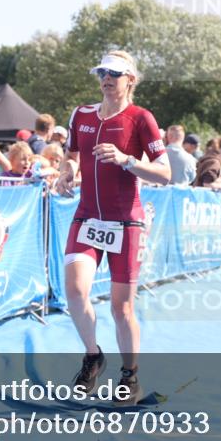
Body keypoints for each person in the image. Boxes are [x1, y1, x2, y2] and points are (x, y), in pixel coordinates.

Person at [55, 51, 170, 406]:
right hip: (87, 215)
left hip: (126, 221)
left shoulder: (141, 119)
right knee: (74, 290)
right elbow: (71, 155)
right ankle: (93, 356)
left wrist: (126, 160)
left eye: (115, 74)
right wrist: (66, 173)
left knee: (121, 309)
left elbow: (166, 173)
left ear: (130, 80)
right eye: (103, 72)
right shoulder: (81, 115)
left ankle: (129, 375)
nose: (107, 78)